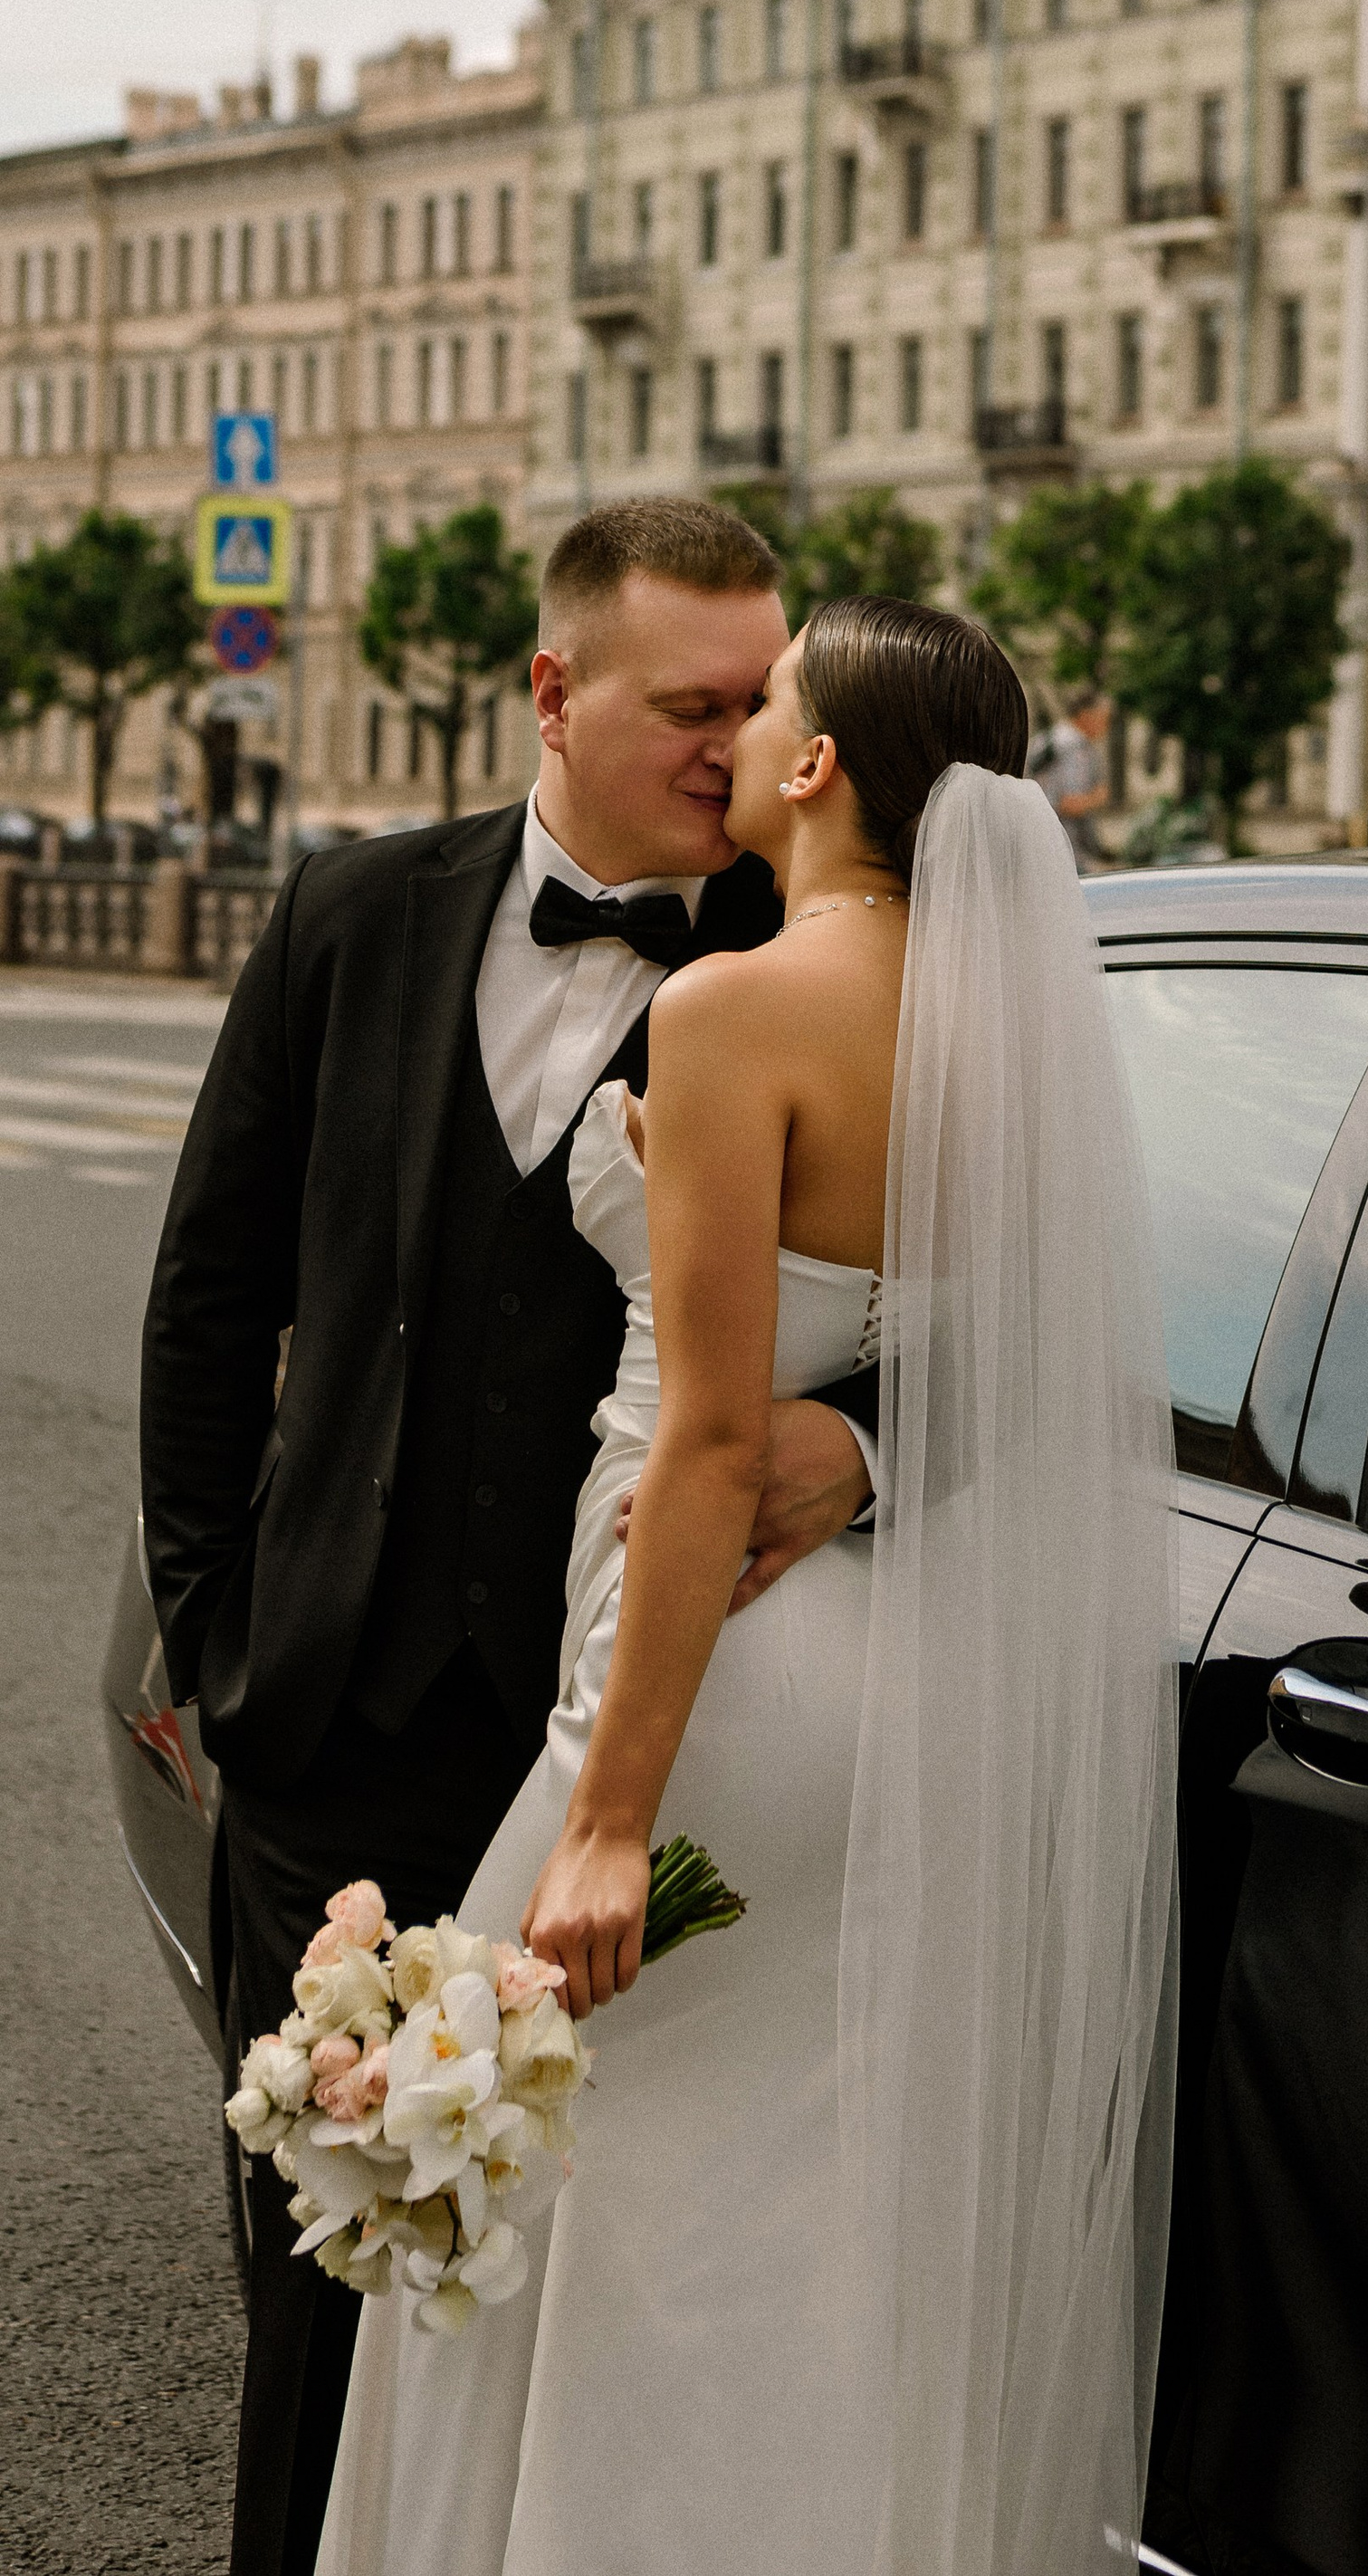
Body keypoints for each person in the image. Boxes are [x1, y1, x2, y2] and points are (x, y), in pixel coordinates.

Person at [316, 597, 1177, 2576]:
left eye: (766, 705)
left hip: (725, 1668)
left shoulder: (730, 1014)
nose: (732, 739)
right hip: (927, 1664)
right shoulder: (1011, 1035)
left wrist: (612, 1818)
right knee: (826, 2206)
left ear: (813, 770)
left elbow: (709, 1447)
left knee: (597, 2182)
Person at [142, 498, 879, 2576]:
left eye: (763, 703)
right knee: (328, 2279)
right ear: (553, 693)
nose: (737, 750)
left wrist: (866, 1444)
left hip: (631, 1744)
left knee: (607, 2300)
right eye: (689, 705)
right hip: (331, 1731)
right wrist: (215, 1638)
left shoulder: (812, 965)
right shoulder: (348, 912)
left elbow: (958, 1308)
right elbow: (210, 1293)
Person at [1034, 683, 1113, 869]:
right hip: (1066, 850)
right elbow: (1068, 803)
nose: (1106, 726)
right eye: (1104, 719)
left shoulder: (1049, 738)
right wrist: (1097, 797)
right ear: (1086, 716)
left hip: (1040, 845)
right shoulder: (1075, 748)